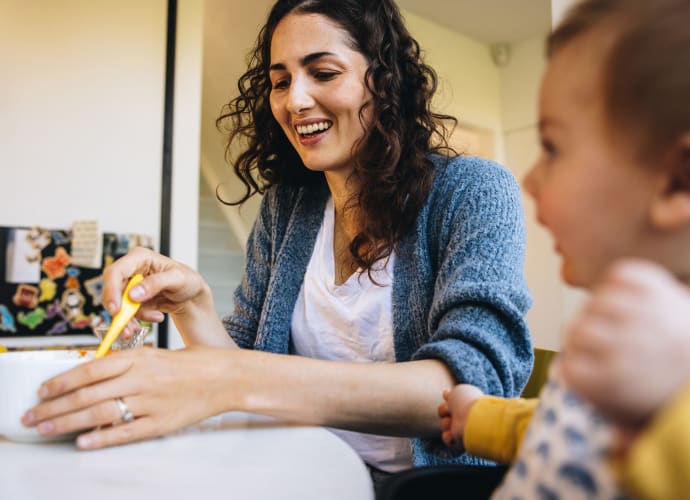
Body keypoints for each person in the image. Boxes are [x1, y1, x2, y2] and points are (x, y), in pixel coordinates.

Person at [22, 0, 532, 482]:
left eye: (324, 73)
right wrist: (194, 304)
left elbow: (470, 387)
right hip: (296, 474)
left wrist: (227, 378)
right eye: (280, 81)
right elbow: (240, 364)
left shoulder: (473, 191)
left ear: (384, 79)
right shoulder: (288, 208)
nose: (296, 100)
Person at [438, 0, 690, 498]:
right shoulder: (614, 326)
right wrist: (480, 417)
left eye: (553, 148)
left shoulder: (684, 365)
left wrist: (680, 393)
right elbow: (566, 428)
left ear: (680, 182)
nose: (530, 180)